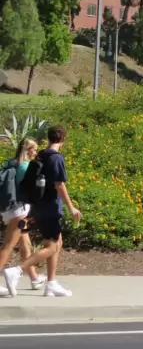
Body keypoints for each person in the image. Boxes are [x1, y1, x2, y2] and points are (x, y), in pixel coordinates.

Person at [3, 125, 81, 298]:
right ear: (63, 139)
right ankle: (17, 270)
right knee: (52, 246)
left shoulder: (41, 155)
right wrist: (71, 207)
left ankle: (51, 284)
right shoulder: (56, 158)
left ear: (49, 138)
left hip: (39, 206)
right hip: (51, 208)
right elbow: (59, 184)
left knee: (56, 243)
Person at [0, 138, 44, 297]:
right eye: (34, 149)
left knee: (25, 242)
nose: (36, 152)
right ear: (28, 150)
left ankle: (34, 278)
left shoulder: (11, 164)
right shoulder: (25, 166)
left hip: (9, 209)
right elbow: (34, 191)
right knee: (7, 246)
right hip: (19, 210)